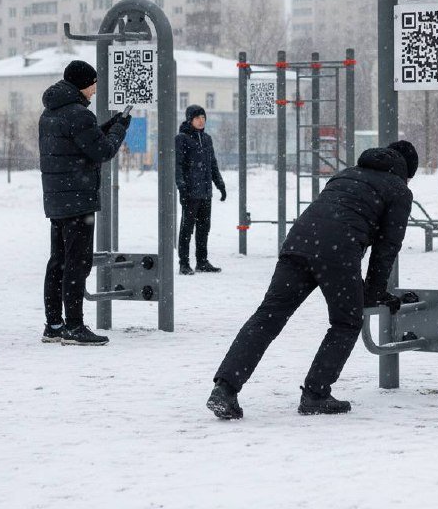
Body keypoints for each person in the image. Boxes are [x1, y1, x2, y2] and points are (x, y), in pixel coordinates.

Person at [206, 140, 418, 420]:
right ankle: (316, 394)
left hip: (299, 242)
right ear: (406, 172)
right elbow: (386, 248)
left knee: (268, 315)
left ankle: (225, 388)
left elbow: (330, 213)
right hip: (338, 251)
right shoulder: (399, 190)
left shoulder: (346, 174)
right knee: (347, 322)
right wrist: (372, 294)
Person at [39, 60, 130, 346]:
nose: (94, 90)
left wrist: (108, 124)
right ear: (83, 84)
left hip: (58, 198)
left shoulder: (51, 112)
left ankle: (54, 325)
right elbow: (102, 151)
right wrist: (121, 127)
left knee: (58, 262)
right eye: (93, 84)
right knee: (77, 264)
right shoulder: (79, 114)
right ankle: (75, 327)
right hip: (78, 200)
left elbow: (78, 142)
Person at [175, 105, 226, 275]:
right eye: (197, 117)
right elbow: (178, 165)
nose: (201, 120)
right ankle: (184, 263)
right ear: (190, 119)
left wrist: (220, 184)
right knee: (187, 229)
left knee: (204, 228)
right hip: (190, 192)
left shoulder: (207, 139)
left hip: (205, 192)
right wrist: (182, 187)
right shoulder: (182, 138)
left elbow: (212, 164)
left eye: (203, 117)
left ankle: (202, 262)